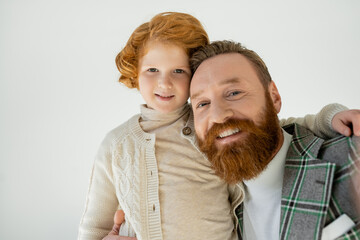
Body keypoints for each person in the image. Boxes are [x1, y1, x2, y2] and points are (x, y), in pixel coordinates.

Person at [78, 12, 359, 240]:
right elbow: (94, 225)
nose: (164, 83)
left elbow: (281, 126)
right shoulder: (118, 145)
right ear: (134, 73)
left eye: (178, 71)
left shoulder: (205, 126)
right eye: (152, 70)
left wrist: (329, 117)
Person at [189, 40, 360, 240]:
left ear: (274, 98)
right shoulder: (212, 208)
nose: (217, 115)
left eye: (234, 93)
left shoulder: (352, 160)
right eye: (202, 103)